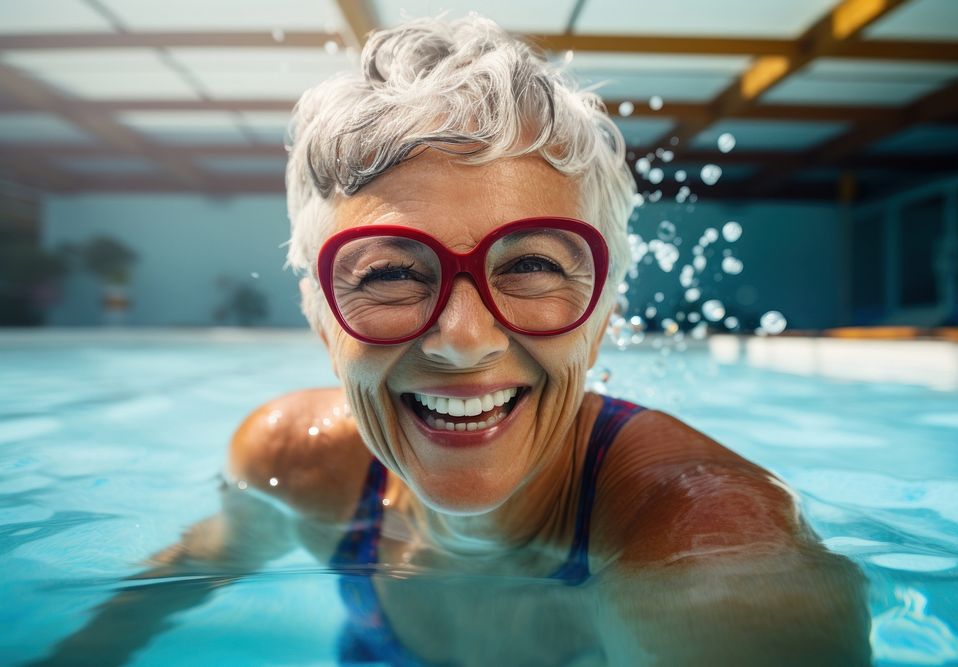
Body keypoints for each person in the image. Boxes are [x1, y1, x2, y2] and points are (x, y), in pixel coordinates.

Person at [37, 15, 870, 666]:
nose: (463, 338)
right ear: (321, 313)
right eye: (392, 274)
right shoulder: (295, 465)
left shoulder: (719, 565)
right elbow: (185, 572)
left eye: (532, 265)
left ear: (606, 308)